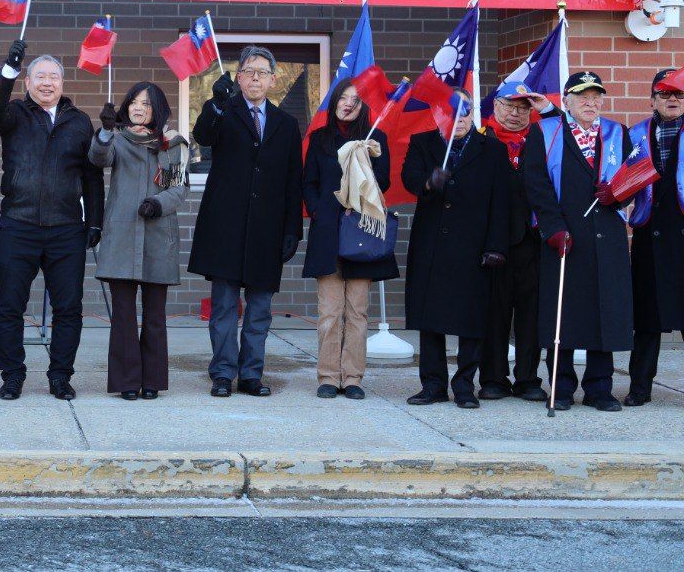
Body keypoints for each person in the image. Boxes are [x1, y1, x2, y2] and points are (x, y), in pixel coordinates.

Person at [0, 40, 103, 401]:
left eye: (54, 76)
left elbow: (92, 177)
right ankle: (12, 375)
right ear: (27, 82)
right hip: (18, 224)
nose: (47, 82)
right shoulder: (15, 115)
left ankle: (60, 375)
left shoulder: (80, 122)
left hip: (66, 228)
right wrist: (9, 66)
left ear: (63, 84)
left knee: (69, 307)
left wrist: (95, 221)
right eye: (39, 76)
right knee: (9, 305)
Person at [189, 46, 302, 398]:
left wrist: (291, 230)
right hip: (226, 228)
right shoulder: (224, 111)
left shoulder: (286, 124)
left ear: (272, 79)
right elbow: (203, 136)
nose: (255, 78)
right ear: (238, 77)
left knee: (260, 309)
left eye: (262, 72)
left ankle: (252, 374)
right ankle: (223, 372)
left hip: (266, 231)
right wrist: (217, 103)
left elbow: (292, 180)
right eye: (249, 71)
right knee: (223, 306)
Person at [522, 71, 633, 412]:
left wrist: (617, 196)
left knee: (605, 310)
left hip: (607, 237)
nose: (591, 102)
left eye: (597, 96)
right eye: (583, 96)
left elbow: (631, 176)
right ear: (566, 101)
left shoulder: (617, 133)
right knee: (563, 312)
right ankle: (563, 386)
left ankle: (600, 388)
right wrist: (553, 228)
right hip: (565, 236)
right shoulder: (546, 132)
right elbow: (536, 183)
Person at [402, 88, 510, 408]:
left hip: (473, 247)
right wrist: (428, 181)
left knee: (471, 319)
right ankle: (433, 384)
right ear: (439, 115)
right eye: (451, 113)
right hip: (432, 246)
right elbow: (410, 178)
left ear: (472, 113)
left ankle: (464, 384)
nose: (458, 119)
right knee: (430, 317)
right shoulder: (424, 143)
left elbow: (500, 203)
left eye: (464, 113)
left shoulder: (491, 149)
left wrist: (496, 246)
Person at [90, 83, 189, 400]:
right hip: (121, 236)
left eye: (146, 104)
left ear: (156, 109)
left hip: (158, 235)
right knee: (123, 315)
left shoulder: (171, 144)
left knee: (155, 316)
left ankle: (152, 382)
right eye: (133, 102)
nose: (138, 107)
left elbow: (177, 188)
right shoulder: (118, 141)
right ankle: (126, 383)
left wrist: (158, 204)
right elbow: (99, 158)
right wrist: (105, 131)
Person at [301, 78, 396, 401]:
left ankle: (353, 377)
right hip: (329, 232)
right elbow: (309, 182)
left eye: (356, 99)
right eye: (343, 97)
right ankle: (329, 375)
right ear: (335, 102)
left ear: (364, 106)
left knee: (357, 311)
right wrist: (319, 212)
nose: (348, 104)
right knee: (330, 312)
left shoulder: (375, 138)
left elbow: (383, 181)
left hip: (361, 234)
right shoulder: (319, 139)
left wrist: (365, 158)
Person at [478, 82, 558, 402]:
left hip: (533, 240)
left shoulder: (543, 137)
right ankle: (493, 377)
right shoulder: (481, 138)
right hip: (494, 240)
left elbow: (569, 132)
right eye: (509, 106)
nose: (515, 114)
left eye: (523, 108)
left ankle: (527, 378)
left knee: (531, 314)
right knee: (494, 313)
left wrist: (548, 109)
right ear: (495, 106)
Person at [625, 70, 684, 407]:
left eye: (679, 95)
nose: (672, 100)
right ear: (652, 100)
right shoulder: (635, 135)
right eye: (664, 94)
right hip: (649, 233)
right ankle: (639, 388)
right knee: (646, 319)